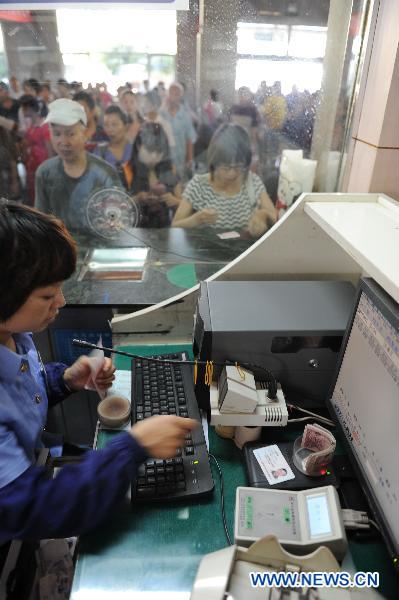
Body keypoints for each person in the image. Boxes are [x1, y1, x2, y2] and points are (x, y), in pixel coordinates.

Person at [0, 200, 196, 542]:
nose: (60, 302)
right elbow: (36, 508)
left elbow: (15, 394)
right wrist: (134, 446)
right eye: (47, 295)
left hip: (43, 462)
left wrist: (63, 380)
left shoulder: (12, 335)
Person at [172, 123, 276, 237]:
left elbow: (274, 215)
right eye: (225, 167)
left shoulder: (252, 182)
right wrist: (197, 219)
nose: (232, 173)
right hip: (210, 253)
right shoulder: (199, 185)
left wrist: (262, 215)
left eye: (238, 166)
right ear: (214, 162)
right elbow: (175, 226)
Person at [35, 98, 122, 232]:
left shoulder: (105, 173)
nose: (63, 141)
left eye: (71, 134)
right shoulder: (45, 173)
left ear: (85, 133)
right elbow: (40, 222)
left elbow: (119, 222)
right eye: (56, 134)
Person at [122, 121, 181, 227]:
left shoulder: (170, 170)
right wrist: (137, 199)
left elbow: (184, 205)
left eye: (159, 152)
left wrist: (174, 201)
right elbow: (117, 208)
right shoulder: (126, 170)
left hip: (164, 232)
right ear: (139, 145)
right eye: (149, 151)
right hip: (134, 232)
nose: (154, 157)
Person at [19, 94, 53, 205]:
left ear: (30, 108)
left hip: (42, 165)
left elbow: (50, 151)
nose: (22, 111)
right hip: (32, 166)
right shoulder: (32, 125)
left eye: (24, 108)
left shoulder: (44, 126)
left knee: (43, 196)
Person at [159, 82, 196, 180]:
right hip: (163, 160)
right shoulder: (161, 114)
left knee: (179, 184)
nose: (174, 97)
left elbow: (190, 139)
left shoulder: (185, 115)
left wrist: (190, 159)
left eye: (177, 94)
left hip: (180, 159)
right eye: (171, 93)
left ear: (181, 96)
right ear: (168, 95)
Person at [94, 105, 131, 170]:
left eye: (114, 124)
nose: (110, 129)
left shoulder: (135, 150)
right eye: (106, 125)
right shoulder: (100, 152)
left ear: (126, 126)